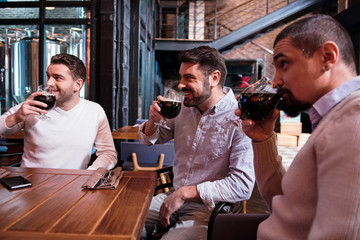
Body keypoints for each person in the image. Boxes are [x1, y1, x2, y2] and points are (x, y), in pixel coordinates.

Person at [236, 14, 360, 239]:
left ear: (327, 57)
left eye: (284, 64)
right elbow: (288, 205)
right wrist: (263, 139)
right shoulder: (332, 118)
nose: (276, 81)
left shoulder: (352, 119)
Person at [139, 46, 255, 239]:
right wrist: (153, 120)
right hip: (172, 197)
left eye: (189, 78)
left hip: (209, 208)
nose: (180, 85)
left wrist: (184, 193)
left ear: (214, 78)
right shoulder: (183, 108)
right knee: (119, 224)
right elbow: (151, 140)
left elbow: (242, 185)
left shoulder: (240, 118)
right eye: (181, 77)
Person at [0, 53, 117, 170]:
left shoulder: (94, 111)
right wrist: (16, 117)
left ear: (77, 85)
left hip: (73, 185)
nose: (48, 83)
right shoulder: (31, 106)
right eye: (48, 76)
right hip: (31, 183)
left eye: (58, 78)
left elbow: (108, 154)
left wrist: (88, 174)